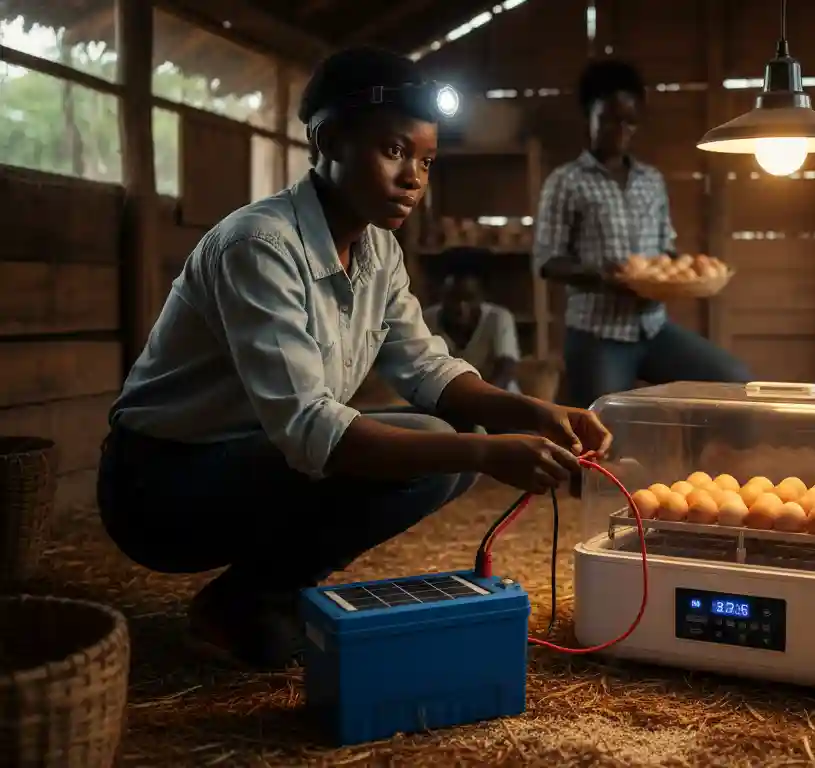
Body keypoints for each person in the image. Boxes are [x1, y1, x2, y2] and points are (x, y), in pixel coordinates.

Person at [96, 47, 612, 672]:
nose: (414, 178)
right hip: (163, 485)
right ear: (329, 140)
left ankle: (250, 595)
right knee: (442, 451)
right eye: (394, 151)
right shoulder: (259, 245)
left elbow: (427, 370)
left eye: (425, 161)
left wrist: (531, 412)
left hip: (260, 462)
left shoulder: (378, 252)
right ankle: (251, 597)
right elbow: (313, 429)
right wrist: (485, 451)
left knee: (442, 441)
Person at [533, 58, 752, 409]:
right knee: (604, 428)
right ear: (589, 115)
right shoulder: (566, 182)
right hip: (597, 334)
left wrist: (689, 270)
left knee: (735, 382)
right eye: (608, 119)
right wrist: (609, 277)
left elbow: (664, 251)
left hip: (653, 329)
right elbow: (548, 262)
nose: (619, 130)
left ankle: (703, 462)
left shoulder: (651, 181)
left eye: (629, 121)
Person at [422, 274, 521, 394]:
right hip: (447, 398)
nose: (461, 306)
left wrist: (482, 397)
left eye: (469, 298)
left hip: (497, 394)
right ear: (442, 297)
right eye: (453, 298)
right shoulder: (427, 319)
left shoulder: (498, 318)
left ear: (481, 298)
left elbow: (506, 368)